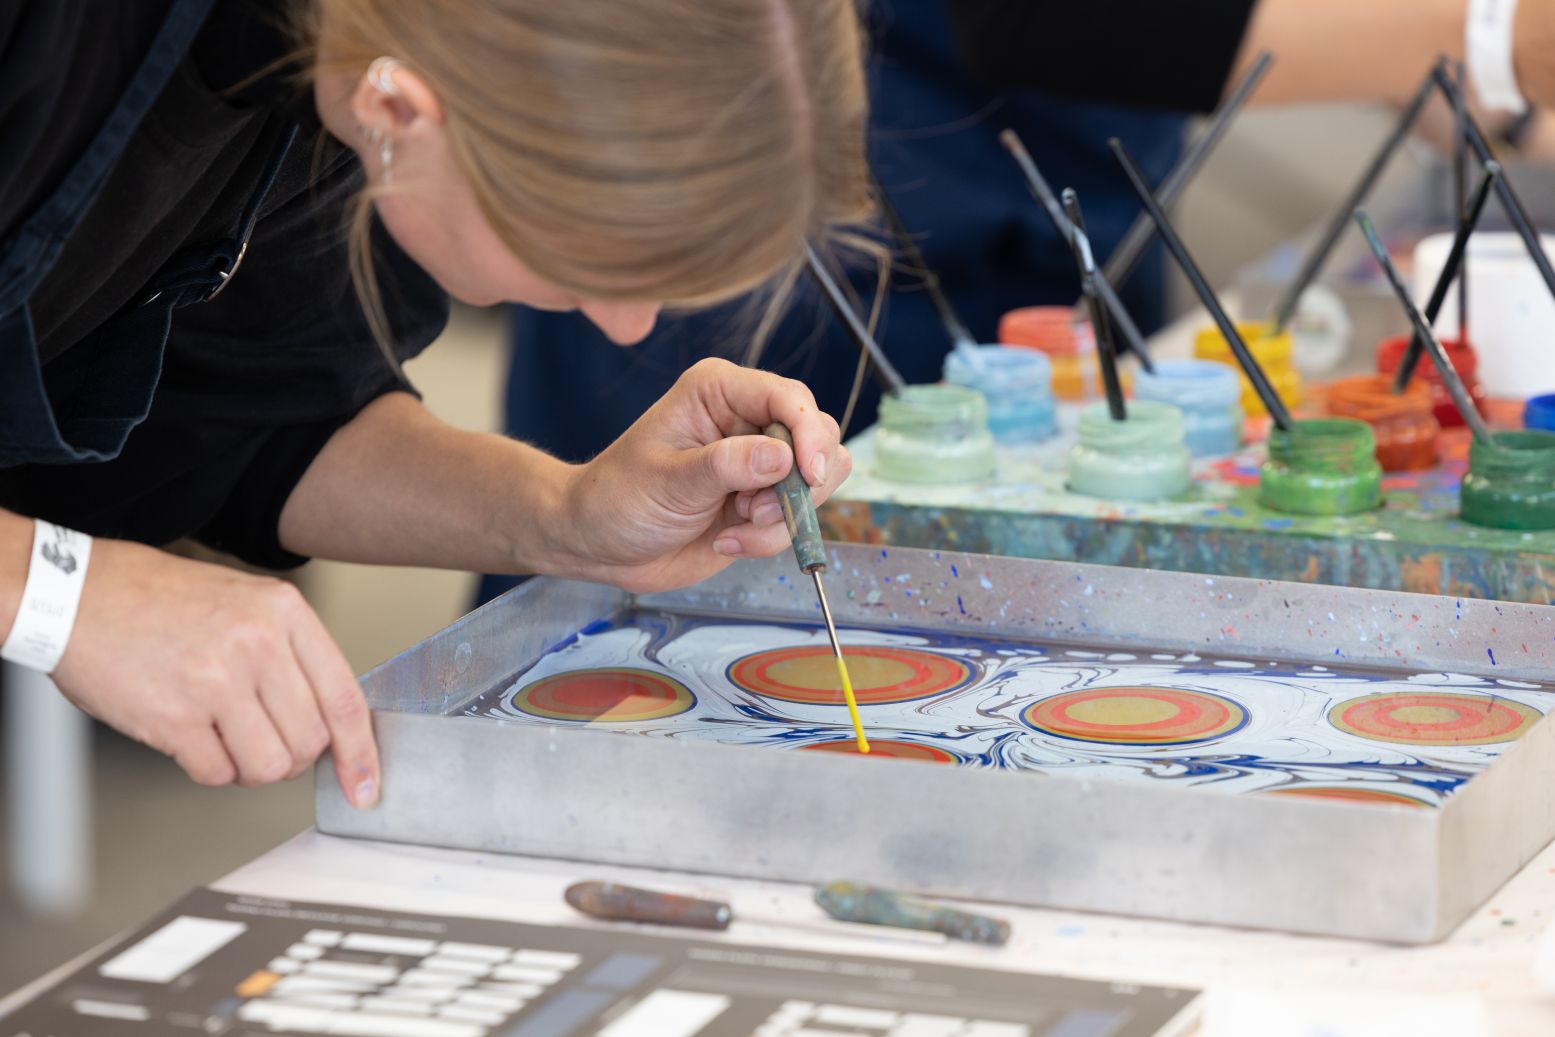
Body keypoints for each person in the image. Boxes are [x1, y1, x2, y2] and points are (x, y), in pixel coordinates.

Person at [0, 0, 868, 807]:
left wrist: (566, 515)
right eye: (585, 270)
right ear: (401, 114)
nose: (628, 327)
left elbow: (247, 422)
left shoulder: (339, 60)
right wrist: (54, 592)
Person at [484, 0, 1555, 602]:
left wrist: (1493, 96)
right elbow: (1032, 17)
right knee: (674, 638)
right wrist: (1499, 43)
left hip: (1072, 193)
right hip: (777, 217)